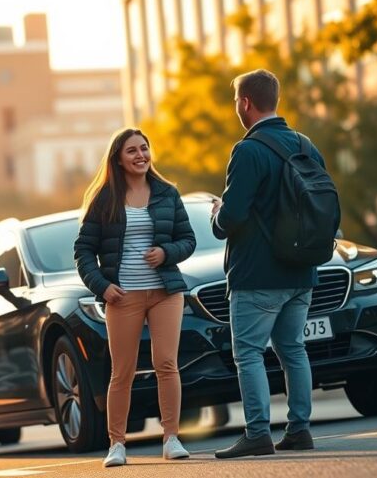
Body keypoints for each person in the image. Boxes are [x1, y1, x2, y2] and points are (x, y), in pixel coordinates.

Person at [211, 69, 327, 458]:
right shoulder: (305, 145)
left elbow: (233, 216)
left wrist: (216, 215)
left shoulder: (247, 150)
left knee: (248, 353)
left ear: (245, 103)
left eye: (235, 102)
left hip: (258, 274)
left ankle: (258, 432)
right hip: (302, 270)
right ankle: (299, 429)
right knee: (293, 349)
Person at [74, 128, 197, 468]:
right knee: (122, 371)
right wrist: (102, 286)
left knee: (166, 364)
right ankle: (117, 445)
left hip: (165, 293)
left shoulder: (167, 194)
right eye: (132, 151)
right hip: (122, 297)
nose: (141, 155)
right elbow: (83, 251)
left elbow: (188, 239)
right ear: (118, 158)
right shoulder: (104, 200)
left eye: (144, 148)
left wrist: (165, 251)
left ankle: (171, 437)